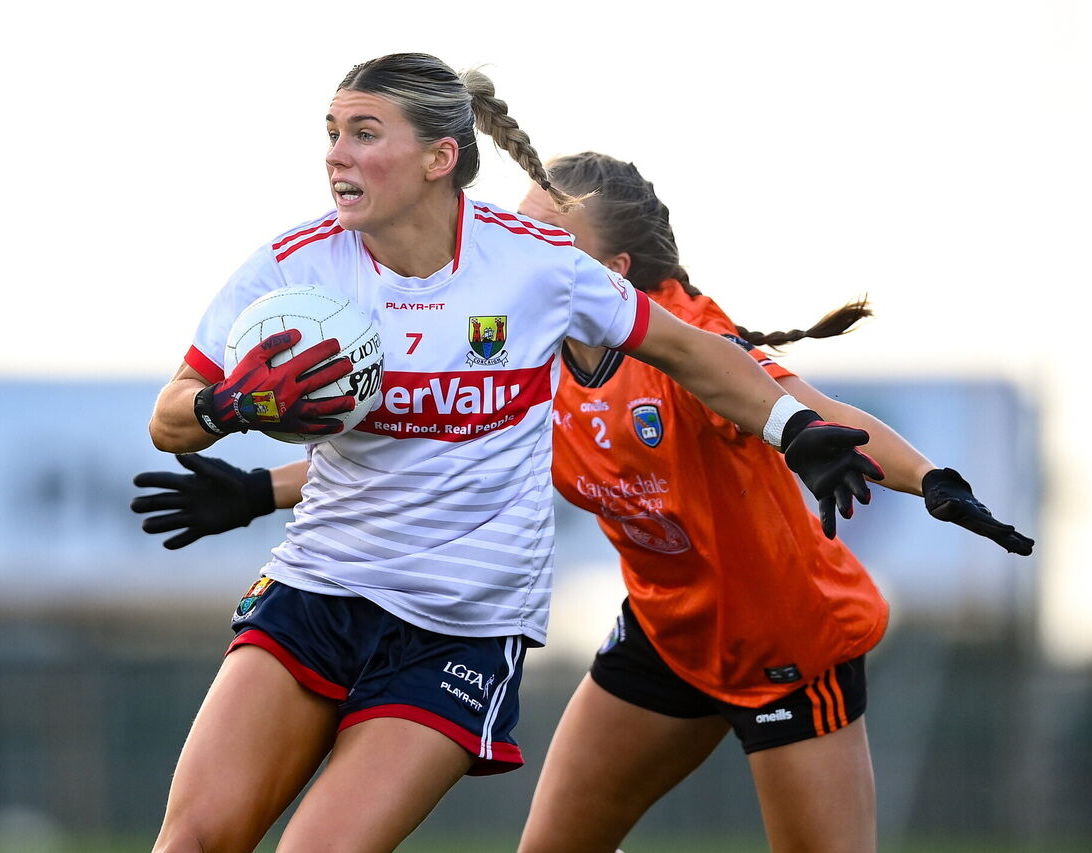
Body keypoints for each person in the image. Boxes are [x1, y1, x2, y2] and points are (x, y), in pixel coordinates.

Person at [137, 152, 1032, 851]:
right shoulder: (524, 353)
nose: (506, 248)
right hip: (661, 638)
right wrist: (261, 489)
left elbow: (821, 415)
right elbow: (438, 452)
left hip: (788, 647)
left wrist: (934, 482)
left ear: (611, 268)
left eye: (540, 239)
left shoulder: (685, 345)